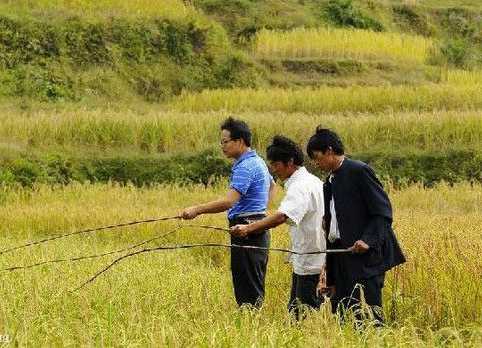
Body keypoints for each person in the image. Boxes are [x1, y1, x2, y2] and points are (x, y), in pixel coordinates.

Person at [307, 127, 406, 325]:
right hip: (342, 257)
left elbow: (382, 213)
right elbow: (333, 230)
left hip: (365, 259)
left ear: (329, 150)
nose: (315, 163)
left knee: (370, 316)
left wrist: (367, 240)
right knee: (344, 316)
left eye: (317, 157)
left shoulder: (359, 171)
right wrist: (331, 276)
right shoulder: (329, 182)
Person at [180, 117, 274, 308]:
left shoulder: (246, 166)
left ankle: (250, 329)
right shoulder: (257, 161)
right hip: (255, 226)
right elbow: (272, 185)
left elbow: (229, 201)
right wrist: (261, 212)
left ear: (239, 141)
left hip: (246, 230)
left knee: (247, 287)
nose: (222, 146)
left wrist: (196, 210)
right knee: (251, 281)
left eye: (225, 142)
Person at [231, 135, 325, 319]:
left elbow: (282, 216)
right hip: (312, 259)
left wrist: (249, 228)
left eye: (276, 164)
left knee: (300, 317)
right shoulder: (312, 181)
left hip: (310, 262)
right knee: (299, 312)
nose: (273, 169)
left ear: (290, 162)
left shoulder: (301, 186)